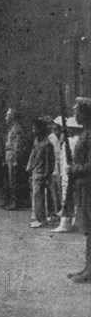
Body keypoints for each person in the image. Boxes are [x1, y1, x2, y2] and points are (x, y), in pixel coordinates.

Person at [65, 97, 91, 283]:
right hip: (83, 186)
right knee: (88, 229)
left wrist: (74, 170)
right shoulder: (86, 133)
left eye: (77, 111)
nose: (75, 114)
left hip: (89, 186)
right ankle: (87, 267)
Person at [51, 116, 82, 233]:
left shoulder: (73, 142)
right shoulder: (71, 141)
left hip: (70, 172)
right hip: (68, 172)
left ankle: (67, 222)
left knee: (68, 195)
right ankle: (71, 220)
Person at [25, 118, 55, 228]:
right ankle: (38, 218)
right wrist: (29, 166)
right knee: (36, 196)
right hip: (35, 171)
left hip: (42, 173)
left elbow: (49, 162)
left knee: (39, 197)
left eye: (35, 128)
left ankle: (41, 219)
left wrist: (47, 174)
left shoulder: (47, 144)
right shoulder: (36, 141)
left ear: (40, 129)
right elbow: (32, 155)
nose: (33, 130)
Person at [4, 108, 30, 210]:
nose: (5, 118)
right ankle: (14, 201)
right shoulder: (12, 129)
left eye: (7, 116)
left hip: (13, 157)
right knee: (11, 180)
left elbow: (17, 146)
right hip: (9, 157)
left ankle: (15, 203)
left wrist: (15, 160)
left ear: (12, 117)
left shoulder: (17, 129)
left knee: (14, 181)